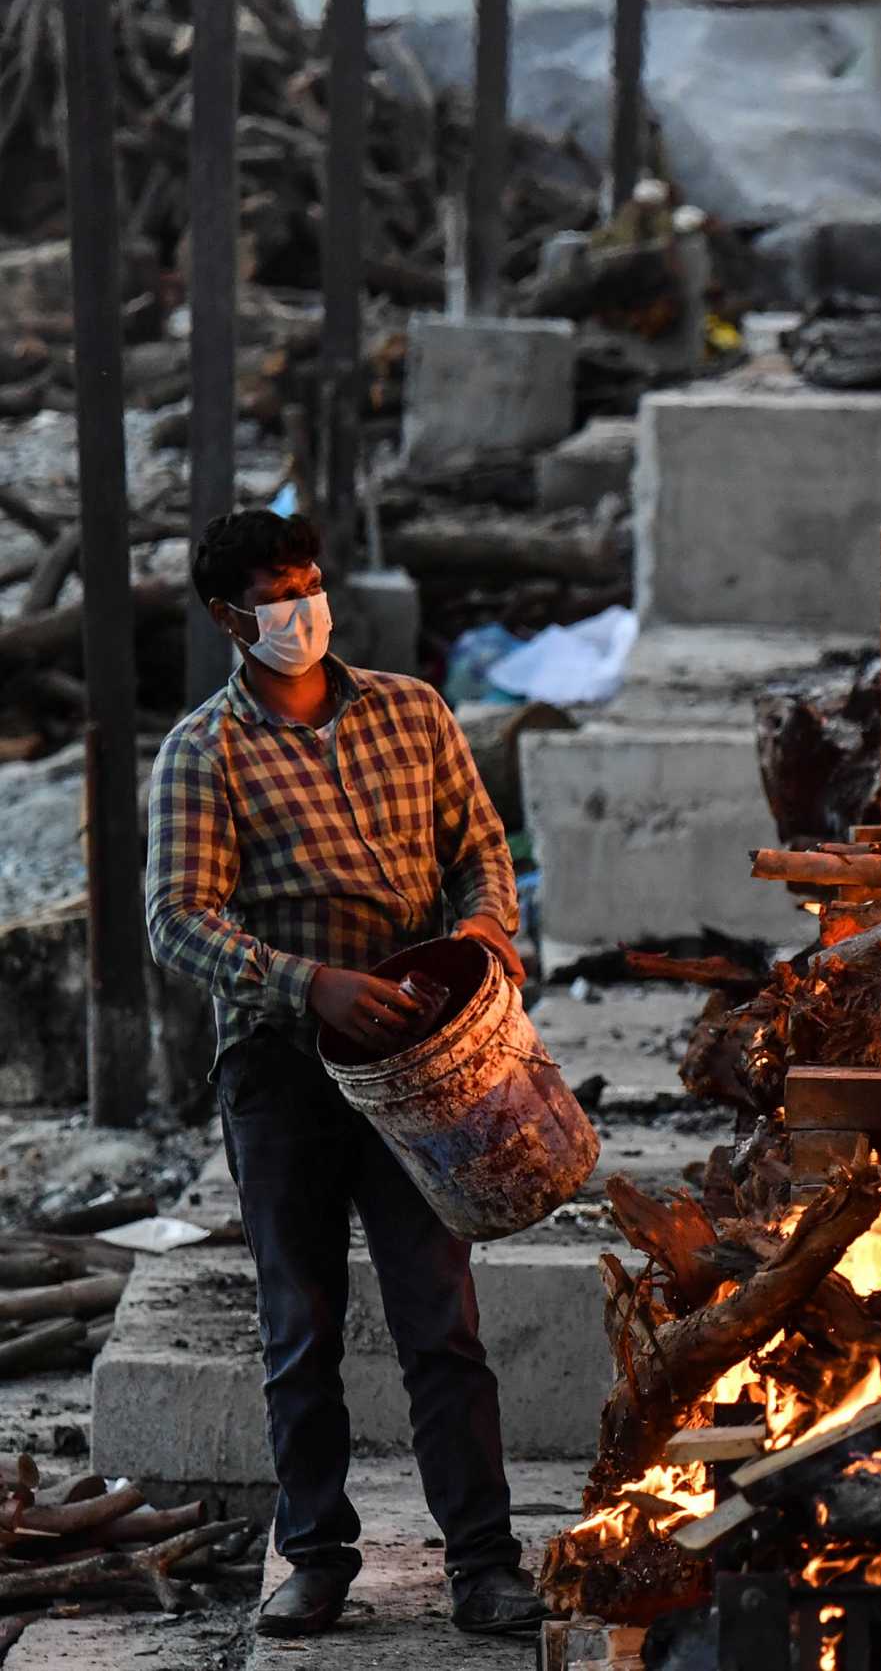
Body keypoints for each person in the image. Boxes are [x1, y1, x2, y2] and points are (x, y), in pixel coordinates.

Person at [143, 510, 552, 1639]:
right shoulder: (205, 750)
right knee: (299, 1322)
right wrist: (305, 982)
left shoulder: (411, 711)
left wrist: (485, 931)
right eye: (279, 593)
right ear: (230, 618)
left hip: (422, 1058)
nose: (304, 609)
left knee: (442, 1314)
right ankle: (316, 1555)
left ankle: (482, 1561)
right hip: (282, 1067)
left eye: (311, 583)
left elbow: (479, 845)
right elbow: (178, 920)